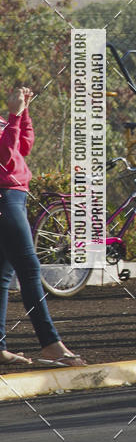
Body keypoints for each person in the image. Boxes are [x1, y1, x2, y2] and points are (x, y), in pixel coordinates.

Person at [0, 86, 85, 368]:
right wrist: (14, 115)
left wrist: (23, 115)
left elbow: (22, 148)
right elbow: (5, 158)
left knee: (3, 275)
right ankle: (50, 344)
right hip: (5, 200)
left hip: (15, 197)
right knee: (30, 269)